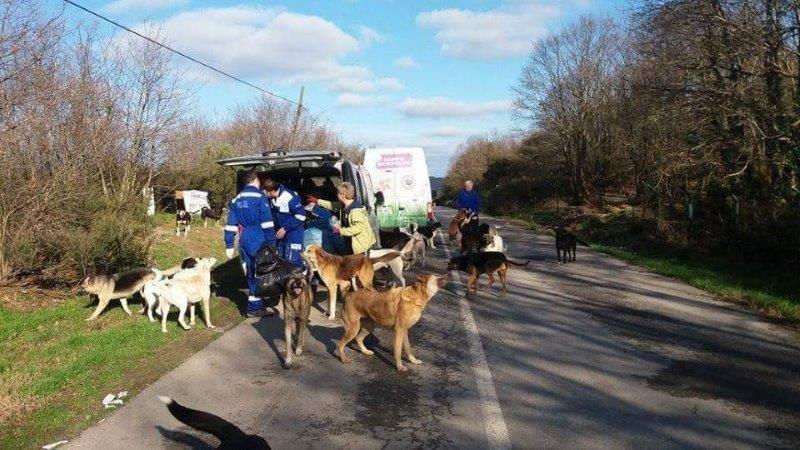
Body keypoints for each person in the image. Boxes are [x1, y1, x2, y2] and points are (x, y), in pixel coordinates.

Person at [224, 170, 276, 317]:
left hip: (244, 238)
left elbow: (230, 225)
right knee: (260, 272)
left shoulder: (236, 199)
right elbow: (267, 223)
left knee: (250, 272)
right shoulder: (260, 197)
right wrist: (271, 243)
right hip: (258, 237)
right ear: (255, 181)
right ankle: (254, 308)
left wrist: (229, 244)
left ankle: (256, 304)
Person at [306, 182, 375, 255]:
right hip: (352, 242)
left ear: (343, 195)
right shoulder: (346, 205)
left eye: (338, 193)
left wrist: (341, 231)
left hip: (360, 246)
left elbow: (358, 228)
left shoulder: (355, 211)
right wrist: (317, 201)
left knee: (356, 265)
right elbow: (332, 205)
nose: (337, 195)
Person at [262, 177, 306, 267]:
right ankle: (287, 280)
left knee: (294, 259)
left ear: (273, 191)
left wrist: (286, 228)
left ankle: (306, 279)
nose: (265, 194)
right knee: (281, 258)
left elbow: (301, 216)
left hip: (294, 233)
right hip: (280, 233)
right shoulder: (271, 199)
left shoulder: (290, 197)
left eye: (266, 192)